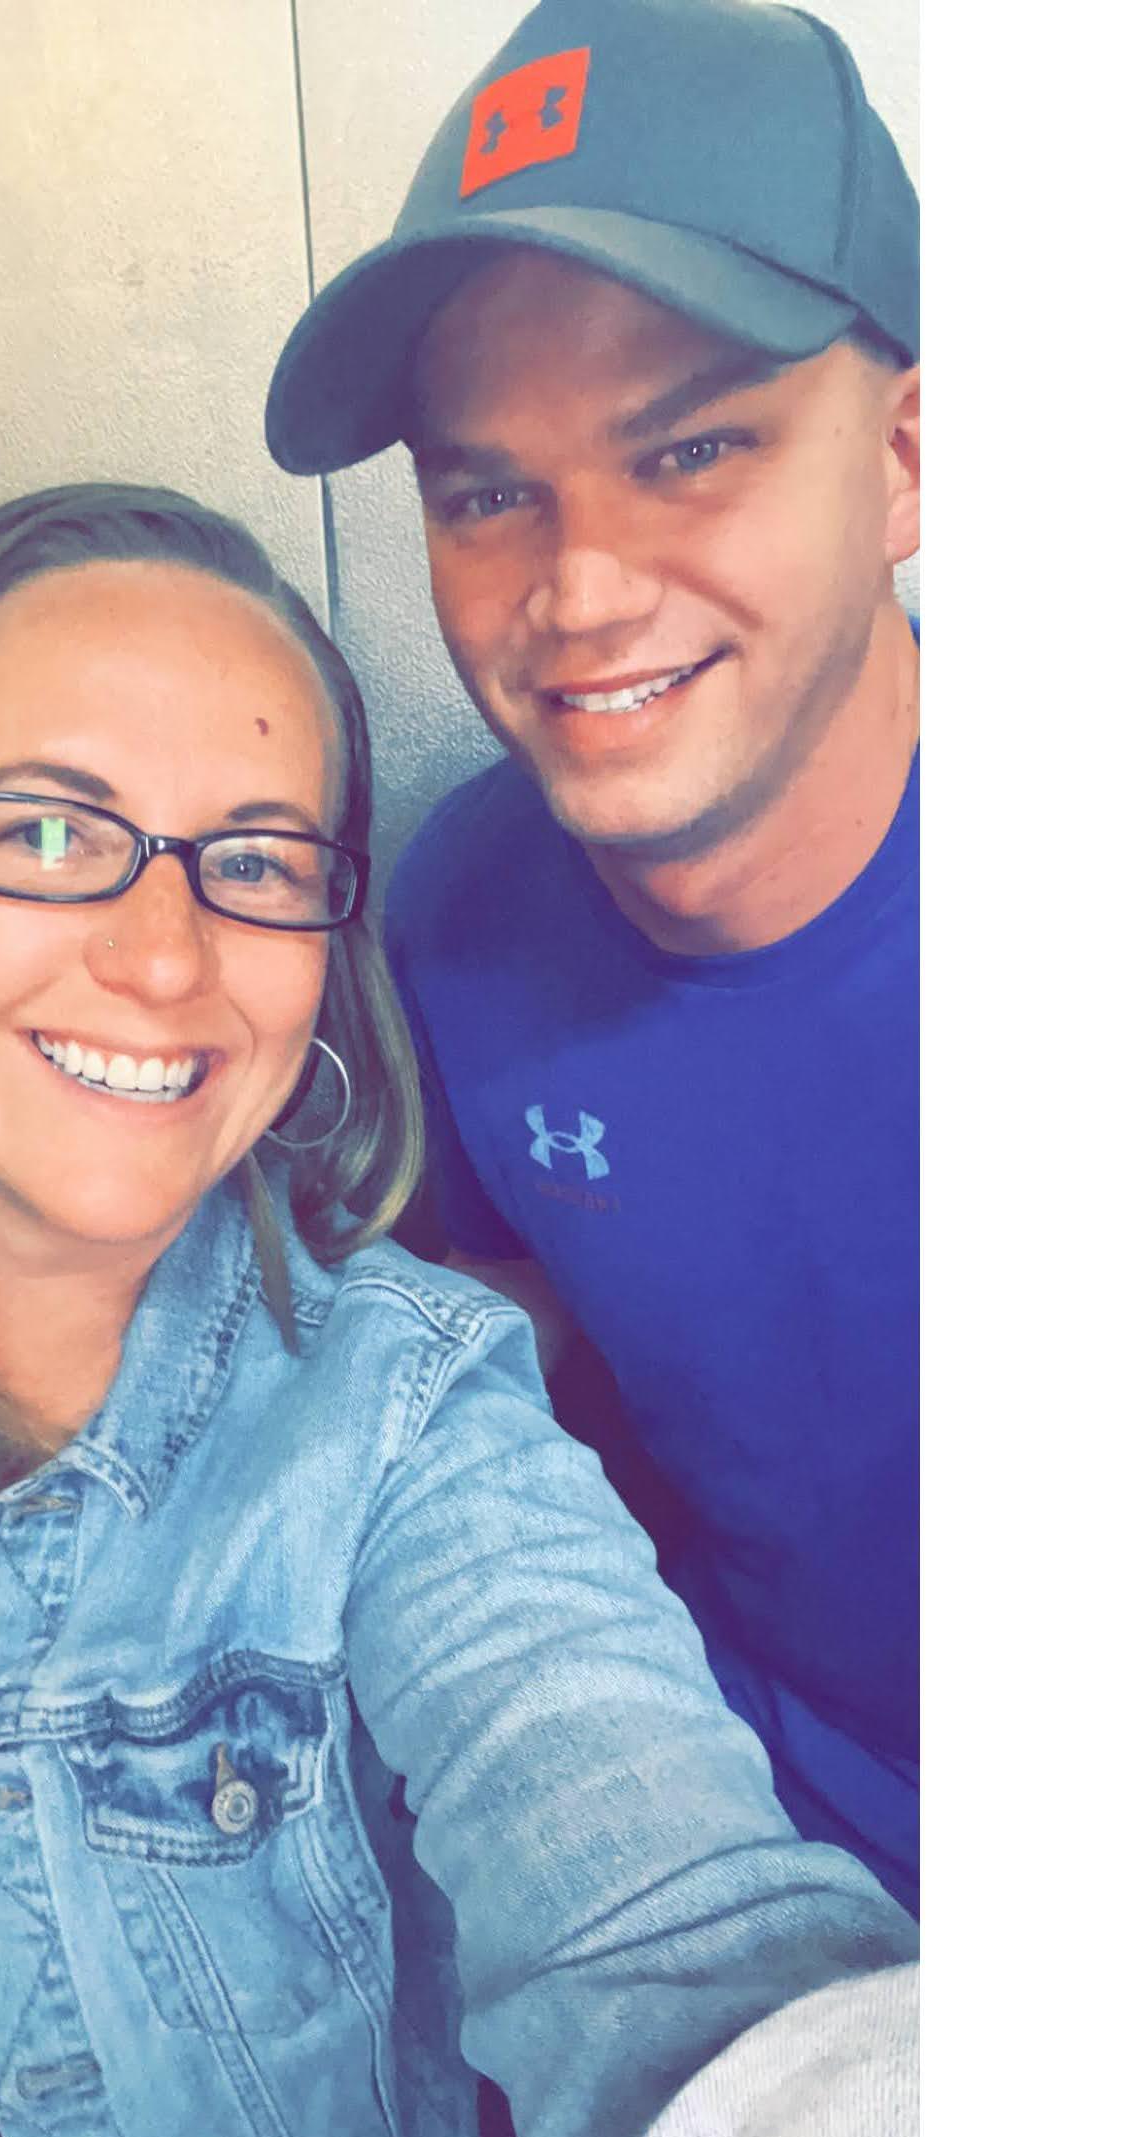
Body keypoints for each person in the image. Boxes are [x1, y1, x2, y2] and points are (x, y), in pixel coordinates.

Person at [0, 482, 916, 2137]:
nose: (162, 957)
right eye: (47, 831)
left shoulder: (407, 1425)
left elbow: (669, 1937)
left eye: (258, 861)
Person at [265, 0, 922, 1913]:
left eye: (688, 447)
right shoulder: (457, 906)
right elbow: (497, 1348)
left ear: (902, 456)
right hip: (729, 1844)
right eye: (485, 490)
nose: (579, 588)